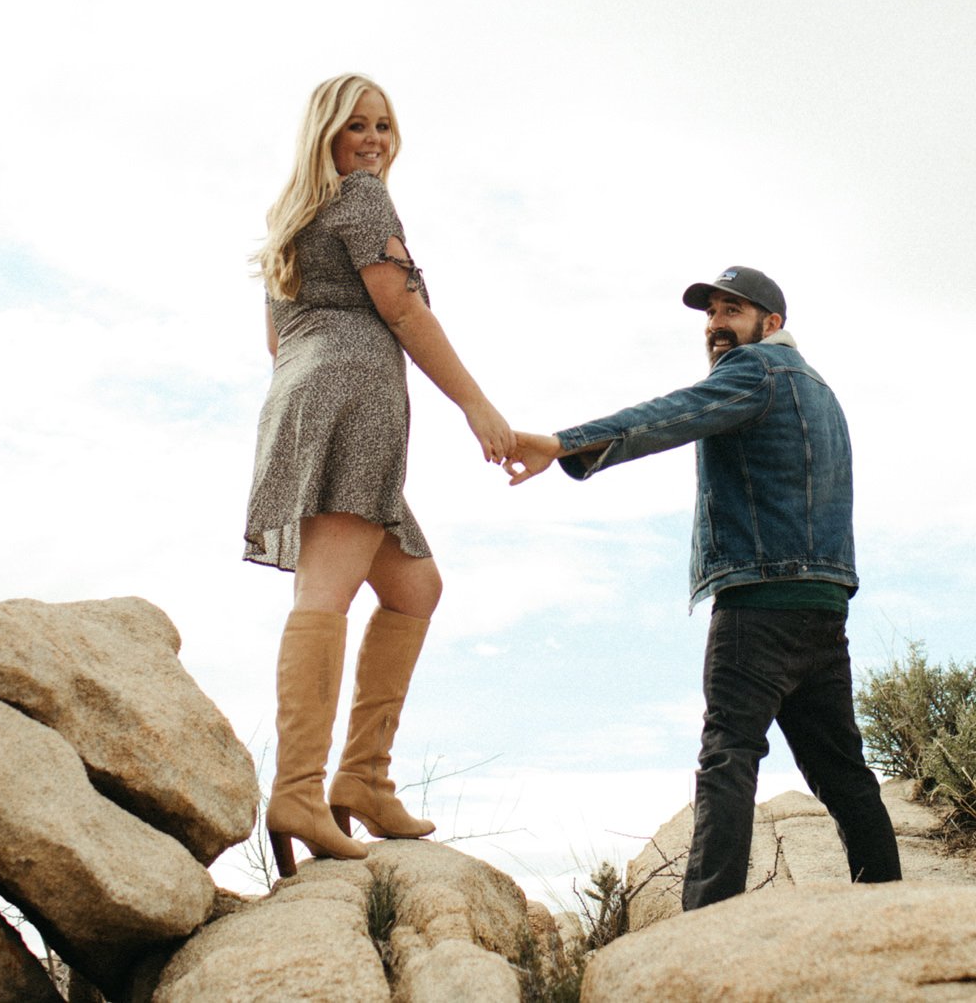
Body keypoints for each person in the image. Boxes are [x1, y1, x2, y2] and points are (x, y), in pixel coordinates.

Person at [505, 266, 902, 909]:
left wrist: (563, 444)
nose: (716, 325)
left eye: (732, 312)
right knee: (842, 772)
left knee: (728, 757)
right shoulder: (823, 392)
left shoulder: (755, 372)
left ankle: (709, 921)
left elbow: (674, 414)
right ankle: (889, 904)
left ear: (771, 324)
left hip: (758, 605)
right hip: (824, 607)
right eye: (711, 313)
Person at [244, 73, 513, 877]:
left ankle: (362, 776)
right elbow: (401, 308)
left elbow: (275, 339)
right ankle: (298, 787)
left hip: (300, 395)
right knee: (324, 590)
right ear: (324, 133)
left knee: (413, 587)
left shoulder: (289, 222)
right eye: (355, 125)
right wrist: (478, 407)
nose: (372, 140)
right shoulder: (363, 200)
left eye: (384, 126)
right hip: (356, 394)